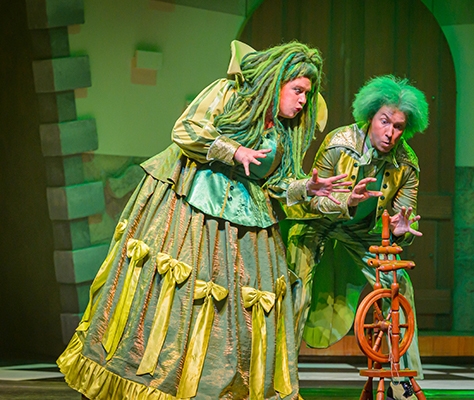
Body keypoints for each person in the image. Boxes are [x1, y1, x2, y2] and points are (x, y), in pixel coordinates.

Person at [57, 40, 349, 400]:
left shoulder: (286, 131)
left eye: (307, 93)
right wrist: (234, 150)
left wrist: (307, 187)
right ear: (276, 82)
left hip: (247, 223)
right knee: (179, 296)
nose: (303, 100)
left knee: (237, 314)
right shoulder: (230, 93)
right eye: (298, 90)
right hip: (192, 209)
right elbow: (185, 130)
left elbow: (276, 182)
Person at [285, 75, 429, 384]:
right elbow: (313, 201)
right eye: (384, 122)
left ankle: (403, 383)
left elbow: (405, 219)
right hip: (319, 223)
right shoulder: (339, 144)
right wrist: (346, 202)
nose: (390, 133)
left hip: (363, 233)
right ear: (370, 117)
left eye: (398, 126)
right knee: (295, 289)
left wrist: (400, 230)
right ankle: (282, 380)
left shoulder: (407, 163)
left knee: (398, 285)